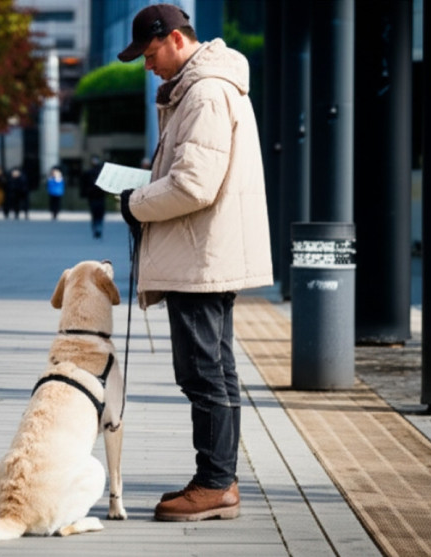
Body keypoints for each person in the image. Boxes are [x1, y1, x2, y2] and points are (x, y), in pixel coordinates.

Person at [117, 3, 273, 522]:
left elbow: (193, 186)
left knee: (203, 372)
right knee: (215, 370)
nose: (147, 65)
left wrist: (133, 201)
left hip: (199, 255)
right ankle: (218, 478)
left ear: (177, 39)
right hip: (202, 250)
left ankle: (214, 483)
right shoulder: (201, 89)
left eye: (150, 51)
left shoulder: (204, 93)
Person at [81, 155, 106, 238]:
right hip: (93, 196)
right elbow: (84, 185)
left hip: (99, 196)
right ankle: (97, 228)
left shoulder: (101, 173)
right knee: (96, 214)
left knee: (98, 214)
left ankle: (98, 228)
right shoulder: (89, 173)